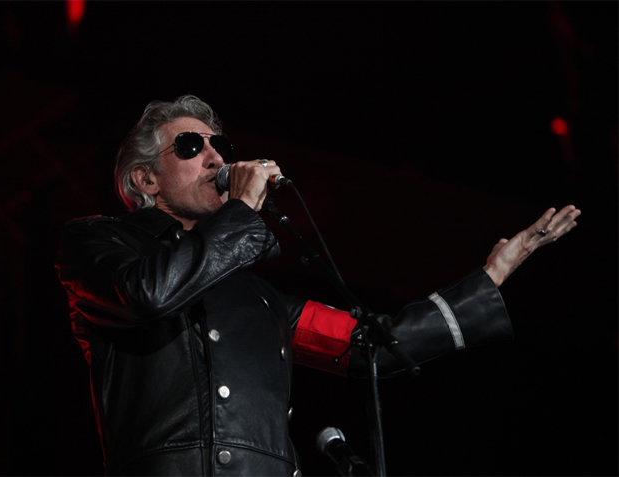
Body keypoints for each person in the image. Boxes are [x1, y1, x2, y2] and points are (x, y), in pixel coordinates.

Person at [55, 95, 581, 476]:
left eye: (222, 145)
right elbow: (148, 294)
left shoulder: (262, 299)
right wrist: (242, 211)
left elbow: (373, 344)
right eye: (192, 146)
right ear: (145, 179)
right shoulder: (97, 242)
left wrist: (491, 276)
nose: (217, 158)